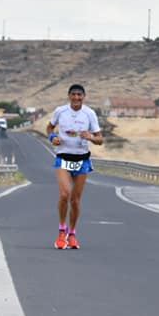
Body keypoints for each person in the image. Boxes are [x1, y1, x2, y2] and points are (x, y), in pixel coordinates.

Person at [46, 84, 103, 250]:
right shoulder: (60, 111)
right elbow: (50, 127)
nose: (76, 98)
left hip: (82, 160)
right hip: (63, 157)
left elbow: (100, 139)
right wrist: (52, 137)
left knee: (75, 200)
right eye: (74, 95)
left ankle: (72, 234)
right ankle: (61, 231)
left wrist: (91, 137)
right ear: (69, 96)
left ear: (84, 97)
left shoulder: (89, 114)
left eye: (80, 95)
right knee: (65, 194)